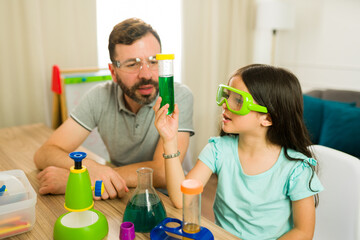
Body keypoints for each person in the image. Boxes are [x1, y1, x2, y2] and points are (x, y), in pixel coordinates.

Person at [153, 64, 324, 239]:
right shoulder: (218, 150)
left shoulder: (296, 169)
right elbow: (182, 199)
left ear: (267, 118)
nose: (225, 104)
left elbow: (303, 232)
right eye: (226, 96)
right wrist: (169, 140)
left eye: (238, 100)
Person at [34, 18, 194, 199]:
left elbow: (163, 172)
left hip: (167, 199)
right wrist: (92, 169)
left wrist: (82, 179)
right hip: (120, 194)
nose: (146, 74)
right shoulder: (99, 97)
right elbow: (45, 153)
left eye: (153, 61)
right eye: (132, 64)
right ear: (113, 72)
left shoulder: (178, 96)